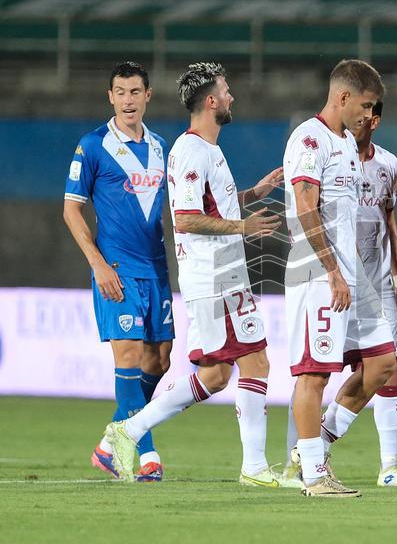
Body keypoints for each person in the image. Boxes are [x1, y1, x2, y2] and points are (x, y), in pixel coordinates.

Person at [104, 62, 283, 485]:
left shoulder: (209, 150)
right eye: (226, 90)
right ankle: (254, 468)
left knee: (215, 376)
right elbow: (185, 218)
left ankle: (127, 431)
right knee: (255, 361)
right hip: (215, 278)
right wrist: (243, 227)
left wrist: (253, 194)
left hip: (222, 276)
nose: (232, 96)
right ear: (211, 101)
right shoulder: (190, 150)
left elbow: (211, 206)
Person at [280, 100, 397, 489]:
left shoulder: (383, 163)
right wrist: (333, 270)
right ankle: (311, 467)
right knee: (315, 372)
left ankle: (328, 450)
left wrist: (396, 275)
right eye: (361, 105)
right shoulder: (316, 142)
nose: (361, 118)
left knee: (385, 364)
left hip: (368, 278)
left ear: (375, 120)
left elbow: (388, 217)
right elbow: (306, 207)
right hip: (327, 276)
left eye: (369, 110)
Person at [63, 61, 172, 482]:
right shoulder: (93, 145)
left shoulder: (161, 147)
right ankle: (148, 455)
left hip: (156, 269)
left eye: (135, 92)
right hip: (116, 270)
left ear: (148, 96)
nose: (128, 100)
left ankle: (109, 444)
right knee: (128, 356)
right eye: (120, 92)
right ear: (110, 97)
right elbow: (71, 210)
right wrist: (97, 263)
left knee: (159, 360)